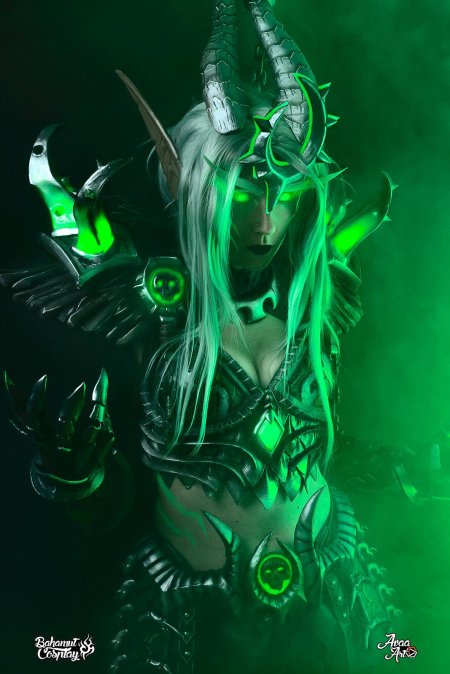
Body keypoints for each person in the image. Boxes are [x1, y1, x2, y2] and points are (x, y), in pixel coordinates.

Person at [1, 1, 398, 672]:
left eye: (284, 194)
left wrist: (402, 470)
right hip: (180, 613)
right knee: (55, 655)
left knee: (414, 655)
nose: (264, 221)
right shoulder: (153, 304)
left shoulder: (317, 300)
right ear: (199, 190)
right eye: (242, 194)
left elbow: (307, 448)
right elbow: (124, 500)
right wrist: (80, 477)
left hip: (343, 591)